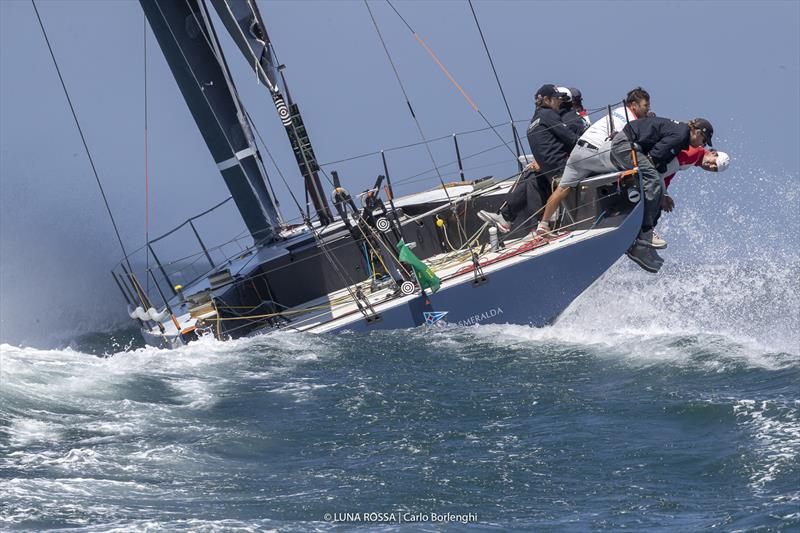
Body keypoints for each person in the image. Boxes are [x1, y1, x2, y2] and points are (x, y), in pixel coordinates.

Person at [538, 87, 651, 235]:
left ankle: (543, 225)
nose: (647, 110)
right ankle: (631, 213)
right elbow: (620, 142)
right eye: (645, 106)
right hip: (594, 152)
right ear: (634, 105)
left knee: (562, 189)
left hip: (577, 152)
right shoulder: (631, 119)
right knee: (633, 165)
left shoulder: (616, 111)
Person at [614, 116, 715, 272]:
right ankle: (645, 234)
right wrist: (659, 193)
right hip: (624, 145)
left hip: (631, 145)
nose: (702, 145)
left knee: (657, 187)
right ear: (697, 132)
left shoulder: (682, 138)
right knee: (654, 182)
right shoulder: (681, 135)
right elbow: (653, 159)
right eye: (704, 140)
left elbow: (660, 164)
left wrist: (663, 194)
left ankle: (641, 243)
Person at [478, 84, 578, 232]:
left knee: (531, 176)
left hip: (549, 171)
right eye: (556, 99)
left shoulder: (532, 123)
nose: (559, 102)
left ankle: (506, 217)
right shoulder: (549, 115)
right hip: (562, 169)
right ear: (547, 100)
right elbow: (570, 140)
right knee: (533, 176)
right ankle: (544, 222)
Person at [661, 147, 730, 212]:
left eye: (714, 169)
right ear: (713, 153)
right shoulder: (694, 153)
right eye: (714, 163)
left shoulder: (695, 156)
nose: (711, 167)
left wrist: (664, 195)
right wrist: (663, 195)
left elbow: (667, 176)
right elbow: (659, 173)